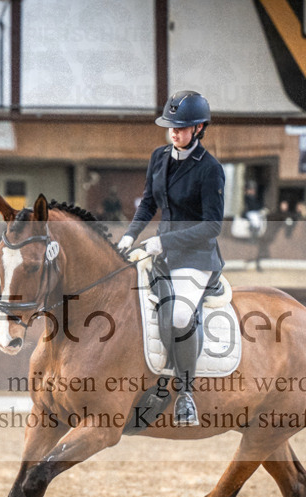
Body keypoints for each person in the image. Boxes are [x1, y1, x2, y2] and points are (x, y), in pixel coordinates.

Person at [116, 90, 225, 427]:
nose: (174, 133)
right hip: (161, 253)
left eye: (182, 128)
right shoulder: (159, 157)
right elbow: (149, 203)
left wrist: (161, 242)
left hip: (196, 258)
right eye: (171, 128)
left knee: (178, 317)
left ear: (199, 128)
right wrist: (129, 236)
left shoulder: (210, 169)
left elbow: (212, 227)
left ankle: (186, 395)